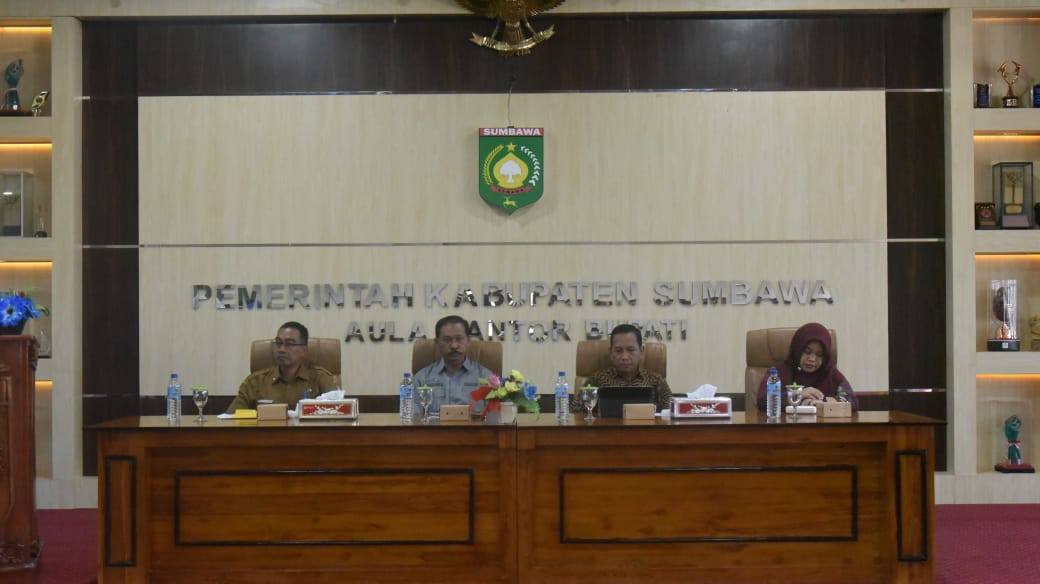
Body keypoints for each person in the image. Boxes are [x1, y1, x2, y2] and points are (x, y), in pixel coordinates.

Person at [227, 321, 337, 412]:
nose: (281, 349)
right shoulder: (255, 382)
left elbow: (336, 417)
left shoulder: (321, 379)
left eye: (290, 344)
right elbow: (231, 418)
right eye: (278, 343)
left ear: (304, 350)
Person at [755, 322, 858, 411]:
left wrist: (824, 402)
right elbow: (762, 402)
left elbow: (853, 402)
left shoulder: (830, 373)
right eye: (807, 352)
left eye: (819, 355)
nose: (812, 359)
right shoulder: (778, 372)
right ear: (797, 349)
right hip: (786, 426)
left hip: (822, 427)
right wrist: (796, 396)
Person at [573, 323, 672, 413]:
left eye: (631, 350)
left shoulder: (656, 381)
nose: (624, 357)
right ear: (611, 353)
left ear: (641, 351)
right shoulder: (596, 380)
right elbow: (576, 413)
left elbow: (670, 413)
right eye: (618, 350)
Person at [413, 315, 494, 414]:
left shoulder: (486, 377)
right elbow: (413, 418)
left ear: (468, 340)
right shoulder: (421, 379)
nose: (454, 345)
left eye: (459, 339)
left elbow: (494, 417)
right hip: (435, 425)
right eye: (447, 340)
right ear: (437, 342)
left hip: (475, 425)